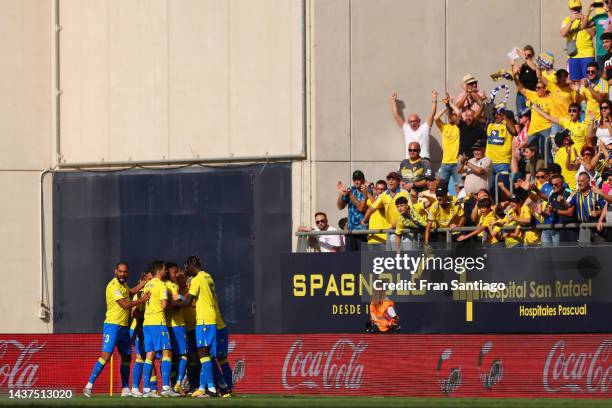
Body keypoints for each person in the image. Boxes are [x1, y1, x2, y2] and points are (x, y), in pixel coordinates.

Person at [83, 262, 149, 398]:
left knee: (126, 357)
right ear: (115, 272)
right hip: (112, 326)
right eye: (120, 271)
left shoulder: (124, 286)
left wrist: (142, 284)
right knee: (105, 356)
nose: (122, 274)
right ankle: (88, 386)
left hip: (124, 327)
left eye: (125, 272)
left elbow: (129, 292)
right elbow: (125, 304)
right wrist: (142, 299)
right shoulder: (112, 286)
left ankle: (125, 388)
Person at [179, 255, 220, 398]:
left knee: (202, 353)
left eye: (186, 266)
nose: (185, 269)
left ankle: (212, 389)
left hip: (203, 319)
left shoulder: (197, 279)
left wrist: (173, 302)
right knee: (206, 354)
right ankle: (202, 388)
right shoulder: (208, 276)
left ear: (191, 265)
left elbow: (187, 302)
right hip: (211, 317)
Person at [141, 261, 180, 398]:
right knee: (167, 352)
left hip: (147, 323)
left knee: (149, 355)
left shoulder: (148, 284)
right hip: (159, 322)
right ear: (159, 270)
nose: (166, 271)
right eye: (164, 269)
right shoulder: (161, 285)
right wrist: (171, 301)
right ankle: (166, 387)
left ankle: (146, 389)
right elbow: (164, 305)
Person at [362, 172, 409, 245]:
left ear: (398, 181)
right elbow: (372, 208)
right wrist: (364, 219)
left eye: (393, 179)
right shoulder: (383, 196)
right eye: (388, 179)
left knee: (408, 255)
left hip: (406, 231)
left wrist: (368, 193)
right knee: (395, 255)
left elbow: (411, 210)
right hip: (392, 232)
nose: (390, 181)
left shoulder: (404, 193)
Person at [515, 76, 552, 161]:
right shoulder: (534, 95)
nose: (537, 90)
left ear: (545, 88)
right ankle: (533, 172)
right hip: (533, 130)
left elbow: (552, 116)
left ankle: (550, 171)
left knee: (545, 152)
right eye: (536, 88)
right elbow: (521, 89)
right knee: (529, 153)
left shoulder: (550, 100)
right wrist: (515, 77)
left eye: (539, 88)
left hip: (545, 129)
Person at [165, 263, 189, 395]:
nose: (176, 275)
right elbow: (176, 305)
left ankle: (171, 385)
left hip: (166, 325)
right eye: (175, 272)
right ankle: (178, 384)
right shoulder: (173, 286)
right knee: (183, 355)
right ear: (168, 273)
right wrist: (185, 299)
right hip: (178, 325)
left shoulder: (163, 285)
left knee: (170, 357)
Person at [391, 91, 435, 161]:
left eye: (414, 121)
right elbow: (396, 115)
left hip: (423, 160)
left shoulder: (425, 128)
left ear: (419, 121)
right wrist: (393, 101)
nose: (412, 123)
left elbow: (432, 114)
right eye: (410, 122)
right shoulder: (406, 129)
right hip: (409, 161)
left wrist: (434, 99)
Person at [130, 271, 154, 397]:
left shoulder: (153, 292)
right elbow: (133, 313)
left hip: (147, 329)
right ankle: (134, 388)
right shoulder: (139, 294)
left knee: (150, 357)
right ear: (144, 279)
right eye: (149, 278)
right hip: (137, 329)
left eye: (152, 278)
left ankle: (151, 388)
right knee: (140, 358)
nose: (152, 280)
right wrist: (148, 316)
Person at [486, 108, 518, 197]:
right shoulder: (489, 125)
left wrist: (504, 116)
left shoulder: (507, 125)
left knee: (503, 188)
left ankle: (506, 206)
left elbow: (514, 132)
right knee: (491, 189)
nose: (497, 116)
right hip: (489, 162)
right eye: (495, 114)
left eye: (499, 114)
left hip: (502, 162)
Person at [561, 0, 596, 81]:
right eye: (574, 9)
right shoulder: (566, 20)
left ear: (581, 8)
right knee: (575, 80)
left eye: (578, 8)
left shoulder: (588, 18)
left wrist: (584, 21)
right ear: (570, 9)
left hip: (587, 54)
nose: (576, 11)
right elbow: (563, 34)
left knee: (588, 79)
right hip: (573, 55)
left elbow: (593, 33)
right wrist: (571, 21)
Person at [436, 94, 461, 191]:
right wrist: (446, 108)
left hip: (456, 163)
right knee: (441, 187)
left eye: (453, 115)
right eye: (449, 115)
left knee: (460, 187)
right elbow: (436, 118)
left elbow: (459, 113)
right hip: (445, 163)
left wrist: (450, 103)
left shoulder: (459, 127)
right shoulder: (444, 127)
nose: (451, 117)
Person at [336, 170, 367, 250]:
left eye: (358, 179)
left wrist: (350, 195)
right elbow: (340, 206)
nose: (356, 181)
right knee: (350, 258)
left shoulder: (366, 191)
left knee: (362, 258)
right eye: (354, 179)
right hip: (350, 230)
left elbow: (361, 208)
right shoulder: (351, 189)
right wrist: (340, 194)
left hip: (362, 230)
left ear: (363, 180)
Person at [541, 174, 573, 246]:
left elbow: (570, 213)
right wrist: (541, 212)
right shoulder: (552, 194)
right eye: (552, 184)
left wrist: (556, 210)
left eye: (556, 184)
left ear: (562, 183)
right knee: (546, 254)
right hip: (553, 227)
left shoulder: (570, 192)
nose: (553, 186)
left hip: (566, 229)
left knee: (559, 253)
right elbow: (548, 213)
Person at [581, 1, 610, 71]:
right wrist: (589, 11)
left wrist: (607, 10)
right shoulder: (597, 17)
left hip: (609, 51)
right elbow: (583, 26)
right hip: (600, 51)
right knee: (601, 76)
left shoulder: (610, 15)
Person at [511, 45, 539, 114]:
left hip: (532, 95)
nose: (526, 56)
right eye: (525, 54)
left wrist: (523, 55)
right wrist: (512, 64)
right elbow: (513, 75)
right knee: (521, 117)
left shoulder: (536, 65)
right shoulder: (522, 67)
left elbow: (534, 68)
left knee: (532, 116)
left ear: (532, 55)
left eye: (529, 55)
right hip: (521, 96)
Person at [364, 180, 390, 249]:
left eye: (383, 189)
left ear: (386, 190)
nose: (380, 191)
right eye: (378, 189)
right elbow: (362, 208)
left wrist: (368, 193)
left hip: (384, 238)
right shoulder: (371, 198)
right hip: (372, 238)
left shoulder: (387, 199)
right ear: (375, 189)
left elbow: (377, 205)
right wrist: (364, 192)